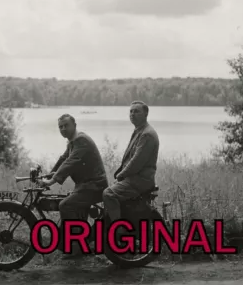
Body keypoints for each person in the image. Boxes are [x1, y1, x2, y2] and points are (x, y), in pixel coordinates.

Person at [41, 114, 108, 256]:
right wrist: (47, 176)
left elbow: (71, 162)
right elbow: (63, 160)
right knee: (71, 205)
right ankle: (72, 243)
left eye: (66, 125)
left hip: (94, 186)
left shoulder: (81, 140)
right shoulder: (72, 142)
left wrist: (52, 181)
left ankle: (78, 247)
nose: (63, 129)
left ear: (75, 125)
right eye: (60, 127)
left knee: (65, 205)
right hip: (85, 186)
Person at [102, 101, 159, 225]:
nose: (132, 114)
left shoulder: (147, 134)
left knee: (108, 194)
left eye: (137, 111)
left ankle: (118, 229)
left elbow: (136, 163)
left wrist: (120, 176)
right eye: (131, 111)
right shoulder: (140, 130)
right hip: (135, 178)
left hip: (141, 180)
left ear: (146, 114)